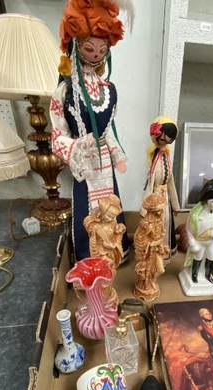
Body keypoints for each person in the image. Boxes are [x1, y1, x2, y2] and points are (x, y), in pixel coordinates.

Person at [49, 0, 134, 262]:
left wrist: (117, 155)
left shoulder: (109, 90)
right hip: (84, 163)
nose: (96, 54)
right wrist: (77, 146)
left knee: (111, 204)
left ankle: (114, 251)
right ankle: (89, 257)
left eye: (101, 49)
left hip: (105, 163)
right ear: (76, 46)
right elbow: (57, 136)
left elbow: (108, 131)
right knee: (86, 207)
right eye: (89, 48)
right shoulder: (66, 90)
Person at [140, 116, 181, 260]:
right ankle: (153, 255)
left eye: (169, 138)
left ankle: (162, 254)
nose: (165, 141)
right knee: (155, 225)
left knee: (166, 224)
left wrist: (175, 204)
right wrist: (144, 208)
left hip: (165, 197)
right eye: (162, 138)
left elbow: (171, 181)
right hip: (156, 197)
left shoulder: (166, 156)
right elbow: (151, 182)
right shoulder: (156, 157)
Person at [184, 179, 213, 283]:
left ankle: (207, 274)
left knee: (211, 257)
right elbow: (188, 229)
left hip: (212, 242)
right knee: (198, 257)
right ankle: (194, 274)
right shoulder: (197, 214)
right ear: (206, 200)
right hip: (199, 241)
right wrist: (192, 242)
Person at [133, 193, 170, 302]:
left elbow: (161, 234)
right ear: (152, 211)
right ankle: (146, 283)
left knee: (161, 270)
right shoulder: (147, 224)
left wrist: (160, 241)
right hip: (149, 252)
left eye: (162, 210)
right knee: (146, 271)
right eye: (159, 210)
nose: (161, 212)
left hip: (157, 250)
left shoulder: (159, 221)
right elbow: (139, 238)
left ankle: (152, 280)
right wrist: (151, 244)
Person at [83, 194, 126, 270]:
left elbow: (117, 239)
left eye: (113, 217)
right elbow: (93, 243)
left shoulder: (113, 224)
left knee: (111, 268)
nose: (110, 219)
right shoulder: (95, 227)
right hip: (101, 253)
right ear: (102, 212)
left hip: (111, 252)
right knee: (103, 268)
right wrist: (100, 249)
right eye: (109, 216)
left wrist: (114, 244)